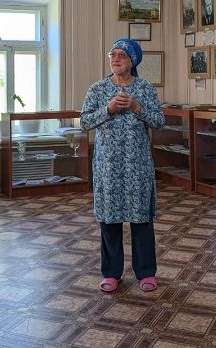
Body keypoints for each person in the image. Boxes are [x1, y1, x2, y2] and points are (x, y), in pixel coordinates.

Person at [80, 39, 165, 293]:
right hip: (108, 166)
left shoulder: (145, 89)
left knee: (141, 221)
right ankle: (111, 273)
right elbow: (84, 122)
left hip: (137, 166)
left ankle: (146, 273)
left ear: (133, 61)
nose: (115, 59)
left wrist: (138, 108)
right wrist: (107, 109)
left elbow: (159, 121)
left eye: (122, 55)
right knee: (109, 220)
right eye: (112, 55)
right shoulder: (97, 89)